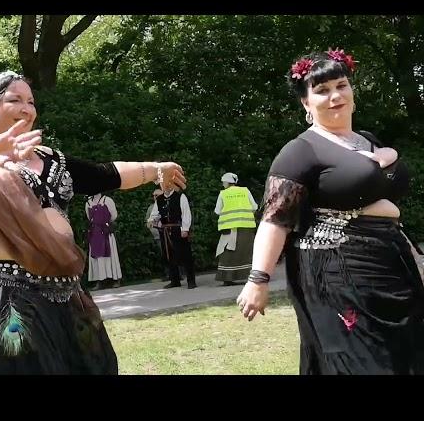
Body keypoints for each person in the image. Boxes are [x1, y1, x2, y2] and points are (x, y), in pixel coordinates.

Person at [0, 70, 186, 374]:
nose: (27, 108)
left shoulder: (52, 159)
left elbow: (103, 174)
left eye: (31, 101)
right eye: (15, 100)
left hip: (64, 292)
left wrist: (156, 168)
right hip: (2, 292)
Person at [237, 48, 424, 374]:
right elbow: (275, 220)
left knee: (405, 355)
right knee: (360, 361)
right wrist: (258, 278)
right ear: (306, 104)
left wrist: (389, 155)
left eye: (341, 85)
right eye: (322, 91)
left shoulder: (366, 140)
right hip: (338, 275)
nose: (335, 95)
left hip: (391, 266)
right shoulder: (300, 151)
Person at [214, 172, 257, 285]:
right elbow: (254, 207)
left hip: (229, 228)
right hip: (246, 227)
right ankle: (251, 275)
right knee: (247, 252)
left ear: (227, 182)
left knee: (228, 253)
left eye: (223, 182)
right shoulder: (245, 191)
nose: (223, 184)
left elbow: (217, 211)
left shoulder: (223, 194)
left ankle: (228, 278)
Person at [149, 187, 196, 289]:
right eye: (164, 185)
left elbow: (186, 213)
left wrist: (185, 229)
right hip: (165, 231)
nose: (166, 187)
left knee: (185, 254)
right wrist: (152, 220)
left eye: (168, 184)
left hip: (178, 229)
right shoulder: (159, 199)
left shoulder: (180, 196)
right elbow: (155, 214)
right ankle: (175, 280)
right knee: (169, 255)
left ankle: (191, 280)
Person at [86, 193, 122, 289]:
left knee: (111, 255)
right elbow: (89, 217)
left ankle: (115, 279)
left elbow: (114, 215)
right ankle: (100, 280)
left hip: (106, 232)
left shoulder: (107, 200)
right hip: (95, 233)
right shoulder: (88, 202)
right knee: (97, 256)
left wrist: (104, 223)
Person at [146, 189, 170, 281]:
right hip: (158, 235)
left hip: (168, 233)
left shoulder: (166, 202)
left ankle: (176, 273)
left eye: (157, 195)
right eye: (154, 195)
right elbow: (148, 220)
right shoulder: (151, 207)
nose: (155, 197)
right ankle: (168, 273)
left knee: (171, 253)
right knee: (163, 254)